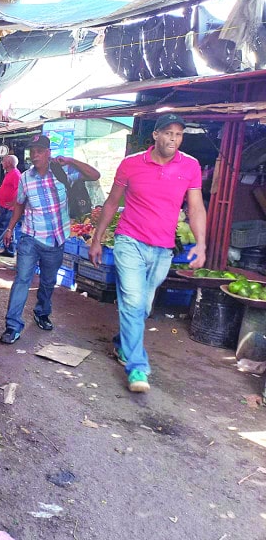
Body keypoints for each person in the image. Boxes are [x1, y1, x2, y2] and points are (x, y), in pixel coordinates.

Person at [89, 113, 206, 393]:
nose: (173, 139)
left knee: (142, 306)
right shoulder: (131, 164)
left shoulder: (190, 166)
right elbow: (111, 202)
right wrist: (97, 238)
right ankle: (137, 367)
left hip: (163, 249)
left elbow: (196, 207)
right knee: (131, 302)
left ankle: (122, 342)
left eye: (178, 134)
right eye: (168, 133)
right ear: (155, 135)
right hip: (129, 241)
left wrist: (201, 244)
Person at [0, 135, 100, 345]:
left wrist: (71, 161)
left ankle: (42, 312)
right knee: (22, 280)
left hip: (56, 238)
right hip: (30, 237)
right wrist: (10, 228)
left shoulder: (63, 172)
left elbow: (94, 175)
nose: (34, 154)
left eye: (39, 150)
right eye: (32, 151)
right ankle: (12, 325)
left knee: (48, 281)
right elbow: (19, 203)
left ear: (48, 153)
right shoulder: (26, 177)